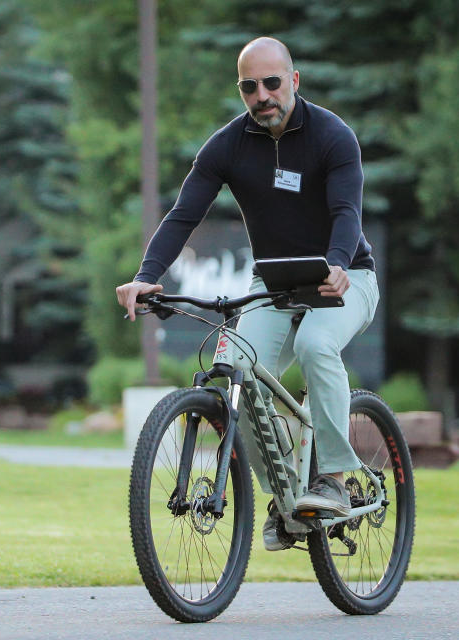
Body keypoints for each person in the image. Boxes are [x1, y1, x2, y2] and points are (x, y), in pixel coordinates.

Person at [115, 37, 380, 550]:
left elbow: (347, 213)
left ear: (294, 81)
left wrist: (340, 264)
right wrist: (147, 273)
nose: (262, 95)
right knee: (237, 373)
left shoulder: (333, 137)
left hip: (348, 276)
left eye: (272, 83)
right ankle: (287, 503)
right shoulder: (227, 146)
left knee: (315, 345)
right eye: (249, 87)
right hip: (274, 284)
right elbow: (184, 214)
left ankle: (335, 479)